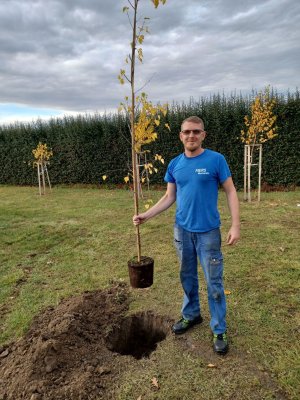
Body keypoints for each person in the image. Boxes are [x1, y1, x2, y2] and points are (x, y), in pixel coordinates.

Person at [133, 116, 240, 354]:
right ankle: (191, 315)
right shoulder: (175, 164)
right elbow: (169, 196)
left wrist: (235, 225)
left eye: (196, 132)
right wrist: (146, 215)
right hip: (182, 231)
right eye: (187, 132)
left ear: (203, 134)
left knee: (214, 282)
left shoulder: (216, 160)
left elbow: (231, 192)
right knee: (187, 276)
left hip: (209, 233)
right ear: (181, 135)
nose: (191, 136)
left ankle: (219, 328)